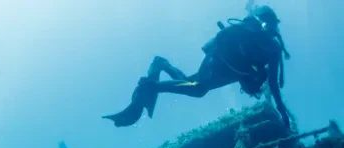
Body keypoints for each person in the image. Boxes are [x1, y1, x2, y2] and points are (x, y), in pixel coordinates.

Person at [103, 5, 292, 128]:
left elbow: (274, 84)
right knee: (198, 89)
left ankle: (161, 64)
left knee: (190, 83)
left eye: (274, 23)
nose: (271, 26)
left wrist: (283, 113)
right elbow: (221, 39)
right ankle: (149, 86)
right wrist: (283, 113)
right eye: (267, 21)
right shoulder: (246, 32)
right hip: (217, 62)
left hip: (228, 71)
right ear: (258, 21)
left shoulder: (274, 50)